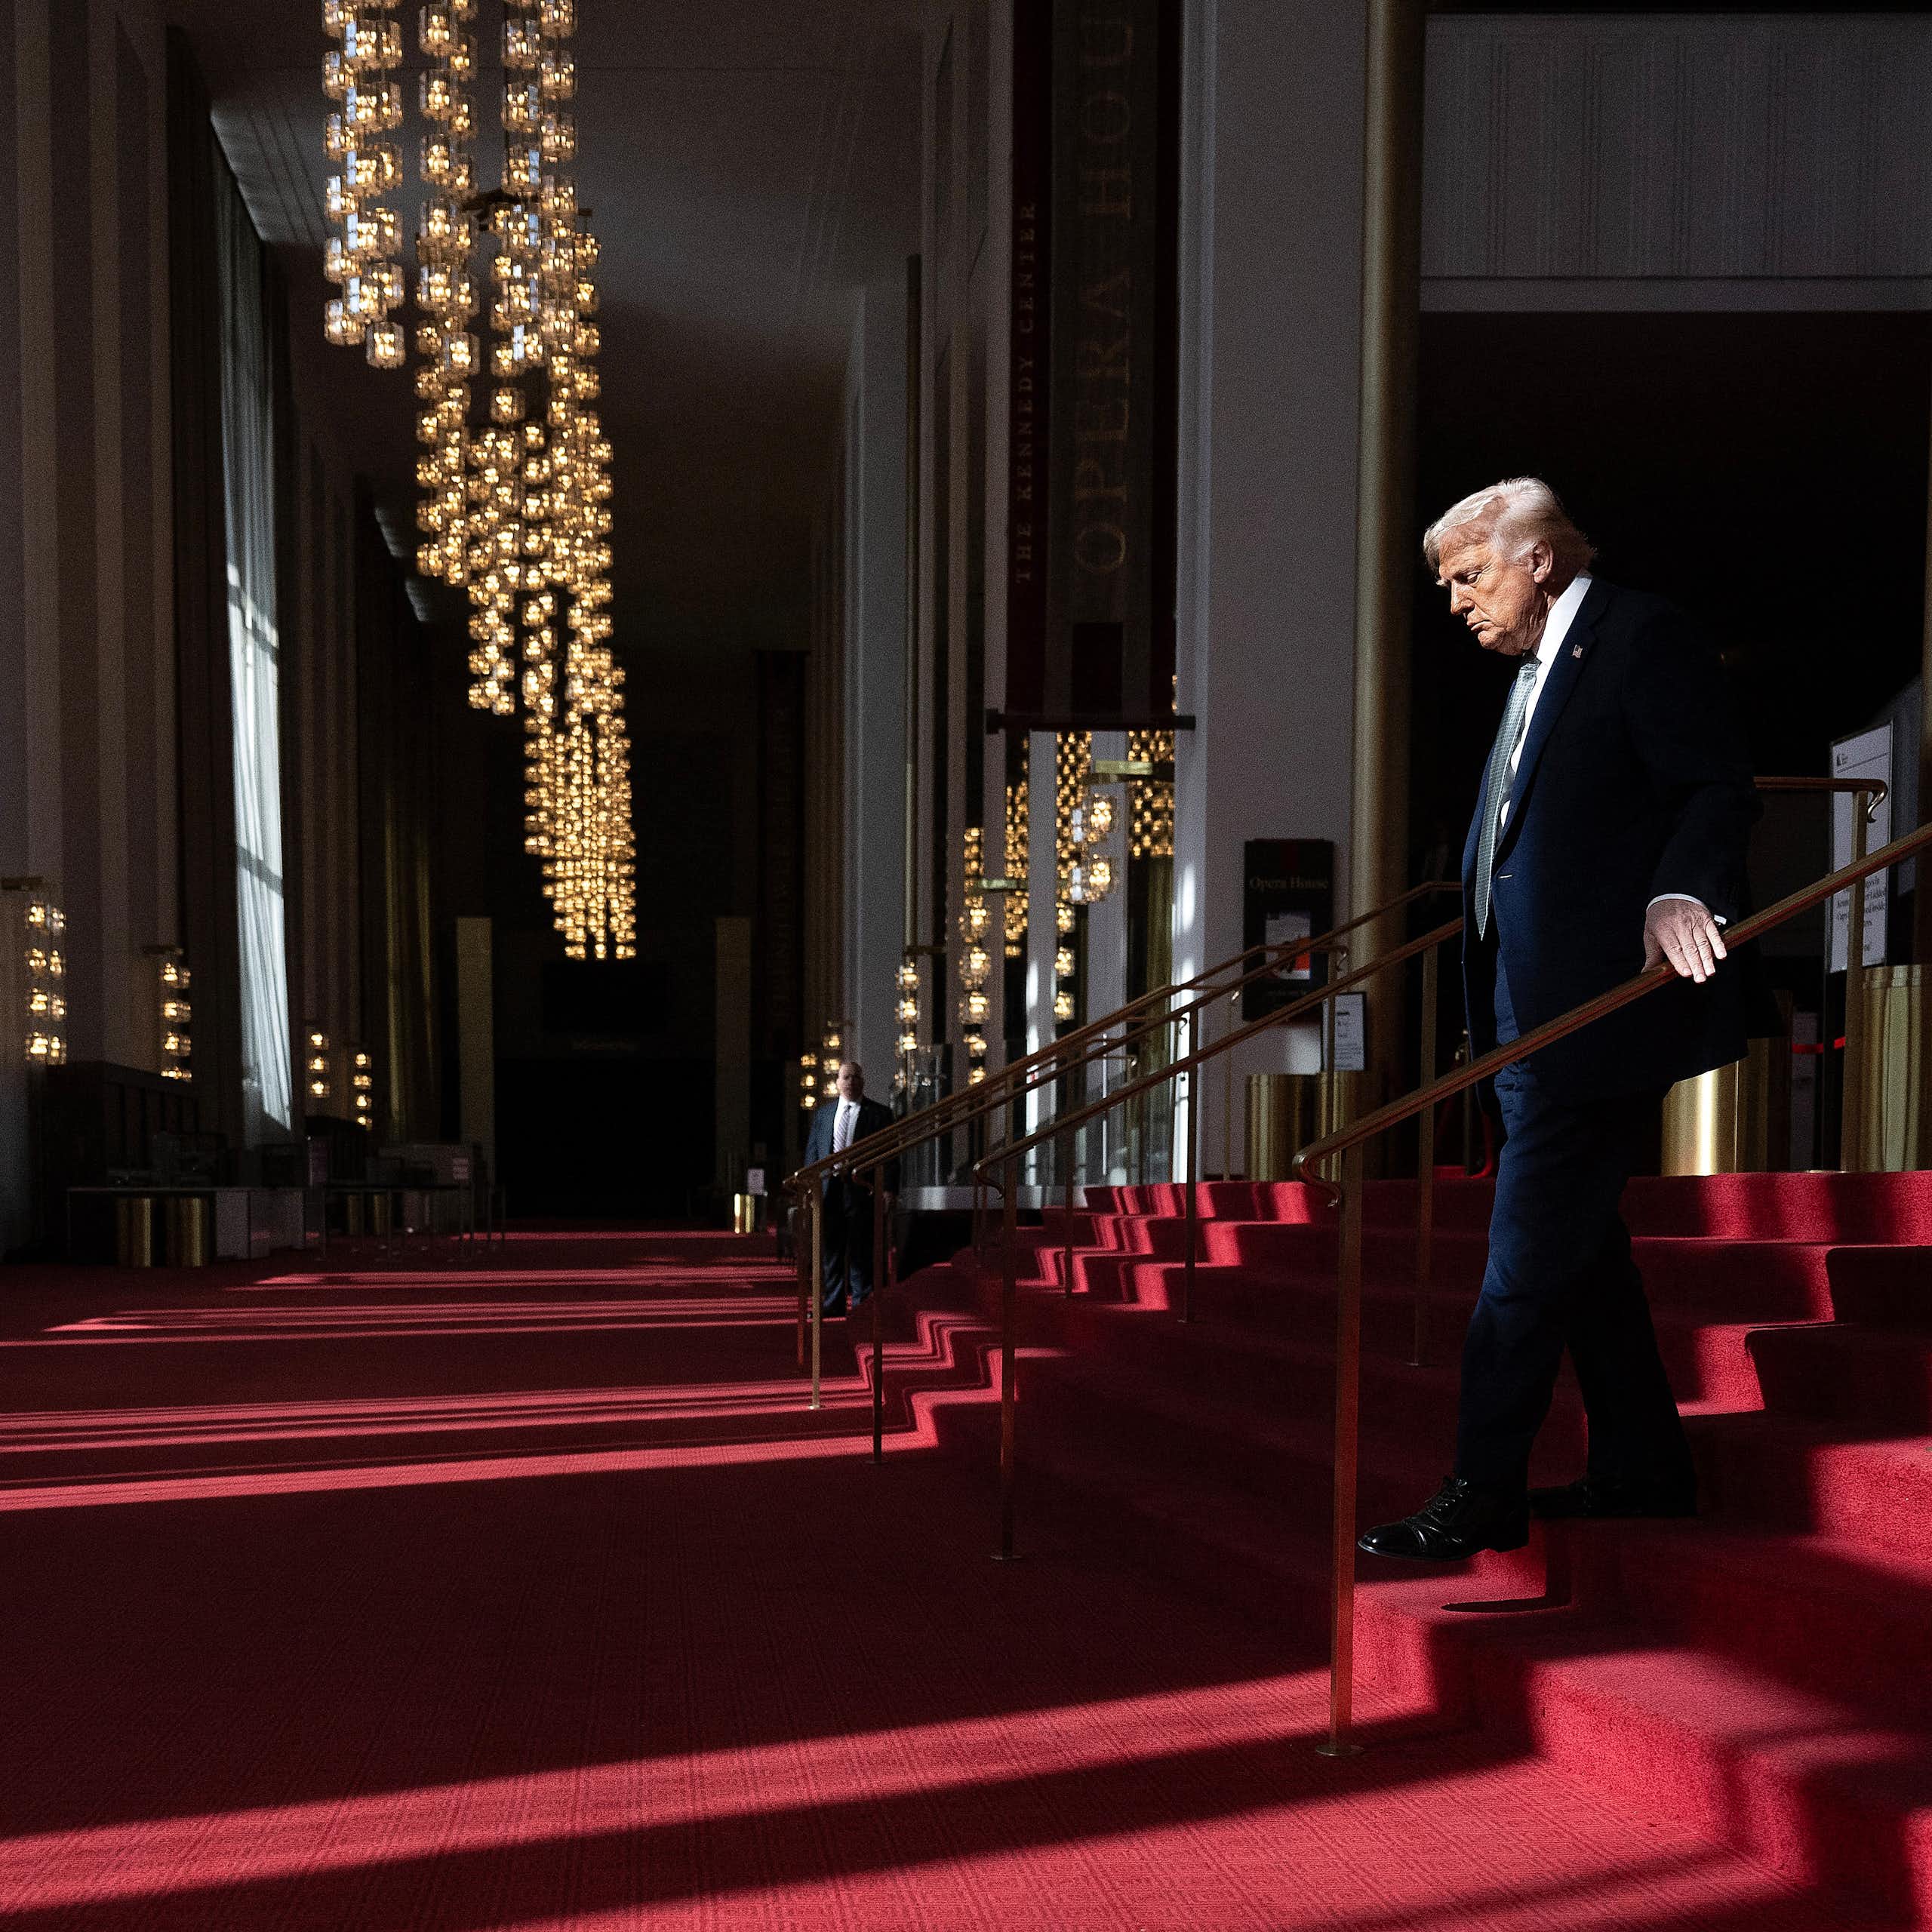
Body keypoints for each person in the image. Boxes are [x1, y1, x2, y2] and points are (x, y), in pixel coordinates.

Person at [1359, 478, 1758, 1562]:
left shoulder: (1640, 638)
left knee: (1524, 1265)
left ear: (1539, 558)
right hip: (1518, 1022)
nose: (1454, 603)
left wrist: (1682, 891)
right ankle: (1644, 1466)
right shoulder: (1538, 668)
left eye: (1467, 576)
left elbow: (1714, 788)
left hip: (1595, 1016)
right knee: (1583, 1257)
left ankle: (1481, 1491)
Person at [801, 1060, 899, 1315]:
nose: (851, 1082)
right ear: (837, 1082)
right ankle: (832, 1303)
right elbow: (813, 1151)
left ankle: (861, 1305)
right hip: (829, 1190)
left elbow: (890, 1156)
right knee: (831, 1251)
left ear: (863, 1081)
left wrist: (889, 1189)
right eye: (846, 1077)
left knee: (861, 1250)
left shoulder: (879, 1114)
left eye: (856, 1077)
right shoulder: (823, 1114)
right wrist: (810, 1186)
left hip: (862, 1190)